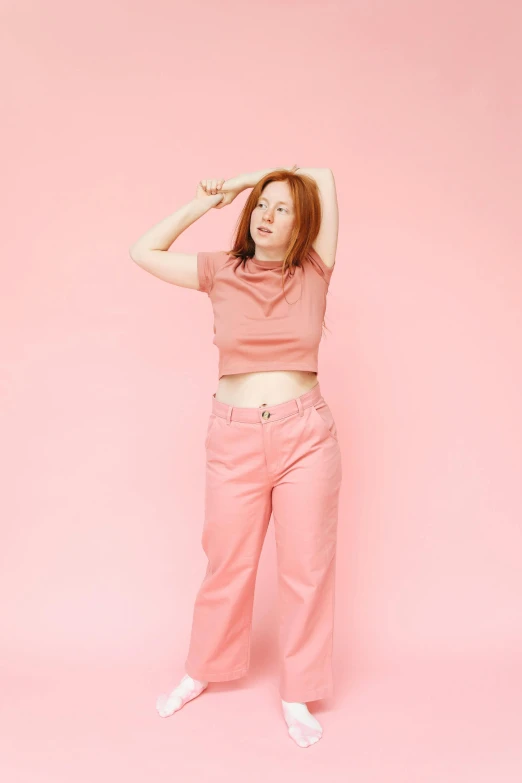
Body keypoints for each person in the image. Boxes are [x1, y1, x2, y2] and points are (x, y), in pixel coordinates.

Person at [129, 166, 342, 748]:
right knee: (226, 563)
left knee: (306, 570)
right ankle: (204, 668)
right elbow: (142, 251)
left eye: (281, 208)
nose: (266, 215)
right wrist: (210, 201)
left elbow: (319, 174)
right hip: (233, 437)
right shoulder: (221, 269)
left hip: (306, 436)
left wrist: (260, 176)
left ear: (303, 224)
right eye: (261, 206)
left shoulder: (313, 269)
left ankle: (298, 692)